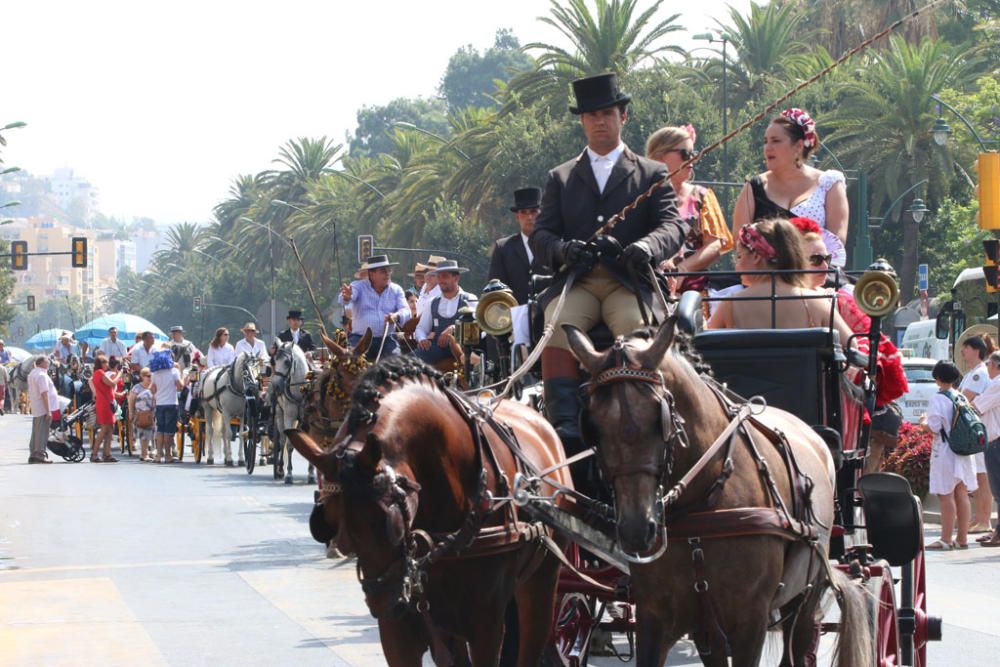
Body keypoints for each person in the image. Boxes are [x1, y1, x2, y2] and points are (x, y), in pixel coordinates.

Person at [530, 72, 688, 449]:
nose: (600, 121)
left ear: (623, 117)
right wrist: (564, 250)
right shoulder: (561, 177)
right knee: (557, 323)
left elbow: (673, 226)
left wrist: (647, 247)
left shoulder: (652, 173)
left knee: (635, 333)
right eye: (591, 115)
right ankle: (565, 422)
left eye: (607, 113)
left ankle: (637, 415)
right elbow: (541, 235)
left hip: (627, 281)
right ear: (582, 121)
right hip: (579, 281)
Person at [707, 218, 855, 345]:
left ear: (756, 257)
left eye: (739, 256)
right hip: (805, 378)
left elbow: (704, 347)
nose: (736, 266)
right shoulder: (817, 302)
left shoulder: (730, 304)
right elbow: (852, 347)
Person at [732, 107, 849, 266]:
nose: (768, 148)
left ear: (798, 146)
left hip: (817, 277)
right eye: (766, 141)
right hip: (764, 281)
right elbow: (740, 243)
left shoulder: (830, 184)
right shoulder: (753, 187)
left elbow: (837, 240)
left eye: (776, 141)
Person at [646, 124, 733, 292]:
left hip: (694, 293)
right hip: (647, 287)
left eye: (694, 153)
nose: (692, 159)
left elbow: (715, 245)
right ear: (660, 157)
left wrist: (682, 270)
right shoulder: (640, 197)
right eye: (685, 154)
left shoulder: (702, 196)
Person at [922, 360, 978, 550]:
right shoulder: (960, 396)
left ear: (937, 378)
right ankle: (962, 538)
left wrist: (923, 421)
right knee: (961, 493)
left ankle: (946, 539)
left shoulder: (938, 399)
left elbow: (934, 427)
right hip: (962, 451)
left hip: (945, 452)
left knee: (945, 495)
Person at [338, 254, 410, 361]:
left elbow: (406, 311)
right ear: (371, 274)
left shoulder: (396, 289)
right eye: (383, 271)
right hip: (360, 339)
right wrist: (347, 296)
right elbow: (344, 298)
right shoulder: (358, 286)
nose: (388, 274)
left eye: (389, 270)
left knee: (396, 365)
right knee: (349, 363)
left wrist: (396, 316)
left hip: (387, 339)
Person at [959, 334, 995, 533]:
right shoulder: (973, 372)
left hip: (980, 432)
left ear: (975, 350)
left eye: (966, 348)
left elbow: (964, 400)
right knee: (980, 476)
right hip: (976, 432)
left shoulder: (978, 374)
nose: (963, 352)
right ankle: (980, 518)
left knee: (983, 477)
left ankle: (984, 520)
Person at [415, 260, 478, 365]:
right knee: (409, 362)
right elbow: (421, 328)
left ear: (456, 278)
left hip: (465, 349)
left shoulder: (470, 299)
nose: (440, 280)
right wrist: (422, 339)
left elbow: (479, 326)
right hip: (437, 349)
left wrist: (454, 328)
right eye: (438, 277)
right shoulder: (432, 302)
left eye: (444, 276)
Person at [488, 187, 543, 304]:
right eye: (524, 212)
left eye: (533, 211)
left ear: (541, 214)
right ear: (517, 217)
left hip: (550, 312)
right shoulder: (503, 247)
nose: (529, 217)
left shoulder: (554, 244)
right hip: (515, 314)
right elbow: (495, 287)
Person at [972, 350, 1000, 546]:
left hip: (996, 442)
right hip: (994, 441)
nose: (987, 367)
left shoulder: (997, 384)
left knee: (998, 490)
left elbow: (977, 406)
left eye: (990, 363)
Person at [150, 347, 191, 463]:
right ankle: (168, 455)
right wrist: (184, 378)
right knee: (169, 431)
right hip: (172, 403)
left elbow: (152, 390)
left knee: (160, 430)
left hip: (160, 404)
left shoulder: (155, 373)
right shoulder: (174, 372)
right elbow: (180, 387)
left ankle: (158, 455)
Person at [91, 355, 124, 463]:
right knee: (105, 428)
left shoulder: (99, 373)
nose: (106, 364)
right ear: (100, 364)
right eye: (104, 362)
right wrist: (119, 373)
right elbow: (112, 383)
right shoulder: (99, 373)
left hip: (107, 402)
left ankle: (107, 453)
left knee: (110, 428)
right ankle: (94, 454)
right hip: (104, 404)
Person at [27, 356, 55, 464]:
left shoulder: (33, 373)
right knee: (42, 432)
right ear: (42, 363)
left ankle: (34, 454)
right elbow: (44, 394)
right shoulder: (42, 375)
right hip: (42, 407)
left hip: (36, 406)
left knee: (36, 432)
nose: (48, 363)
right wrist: (48, 410)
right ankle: (40, 455)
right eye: (47, 361)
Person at [128, 367, 156, 462]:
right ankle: (144, 454)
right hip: (140, 414)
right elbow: (131, 400)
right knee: (143, 434)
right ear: (142, 377)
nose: (150, 378)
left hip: (152, 414)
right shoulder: (137, 388)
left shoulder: (153, 386)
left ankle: (150, 451)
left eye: (151, 376)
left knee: (152, 434)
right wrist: (131, 413)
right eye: (148, 376)